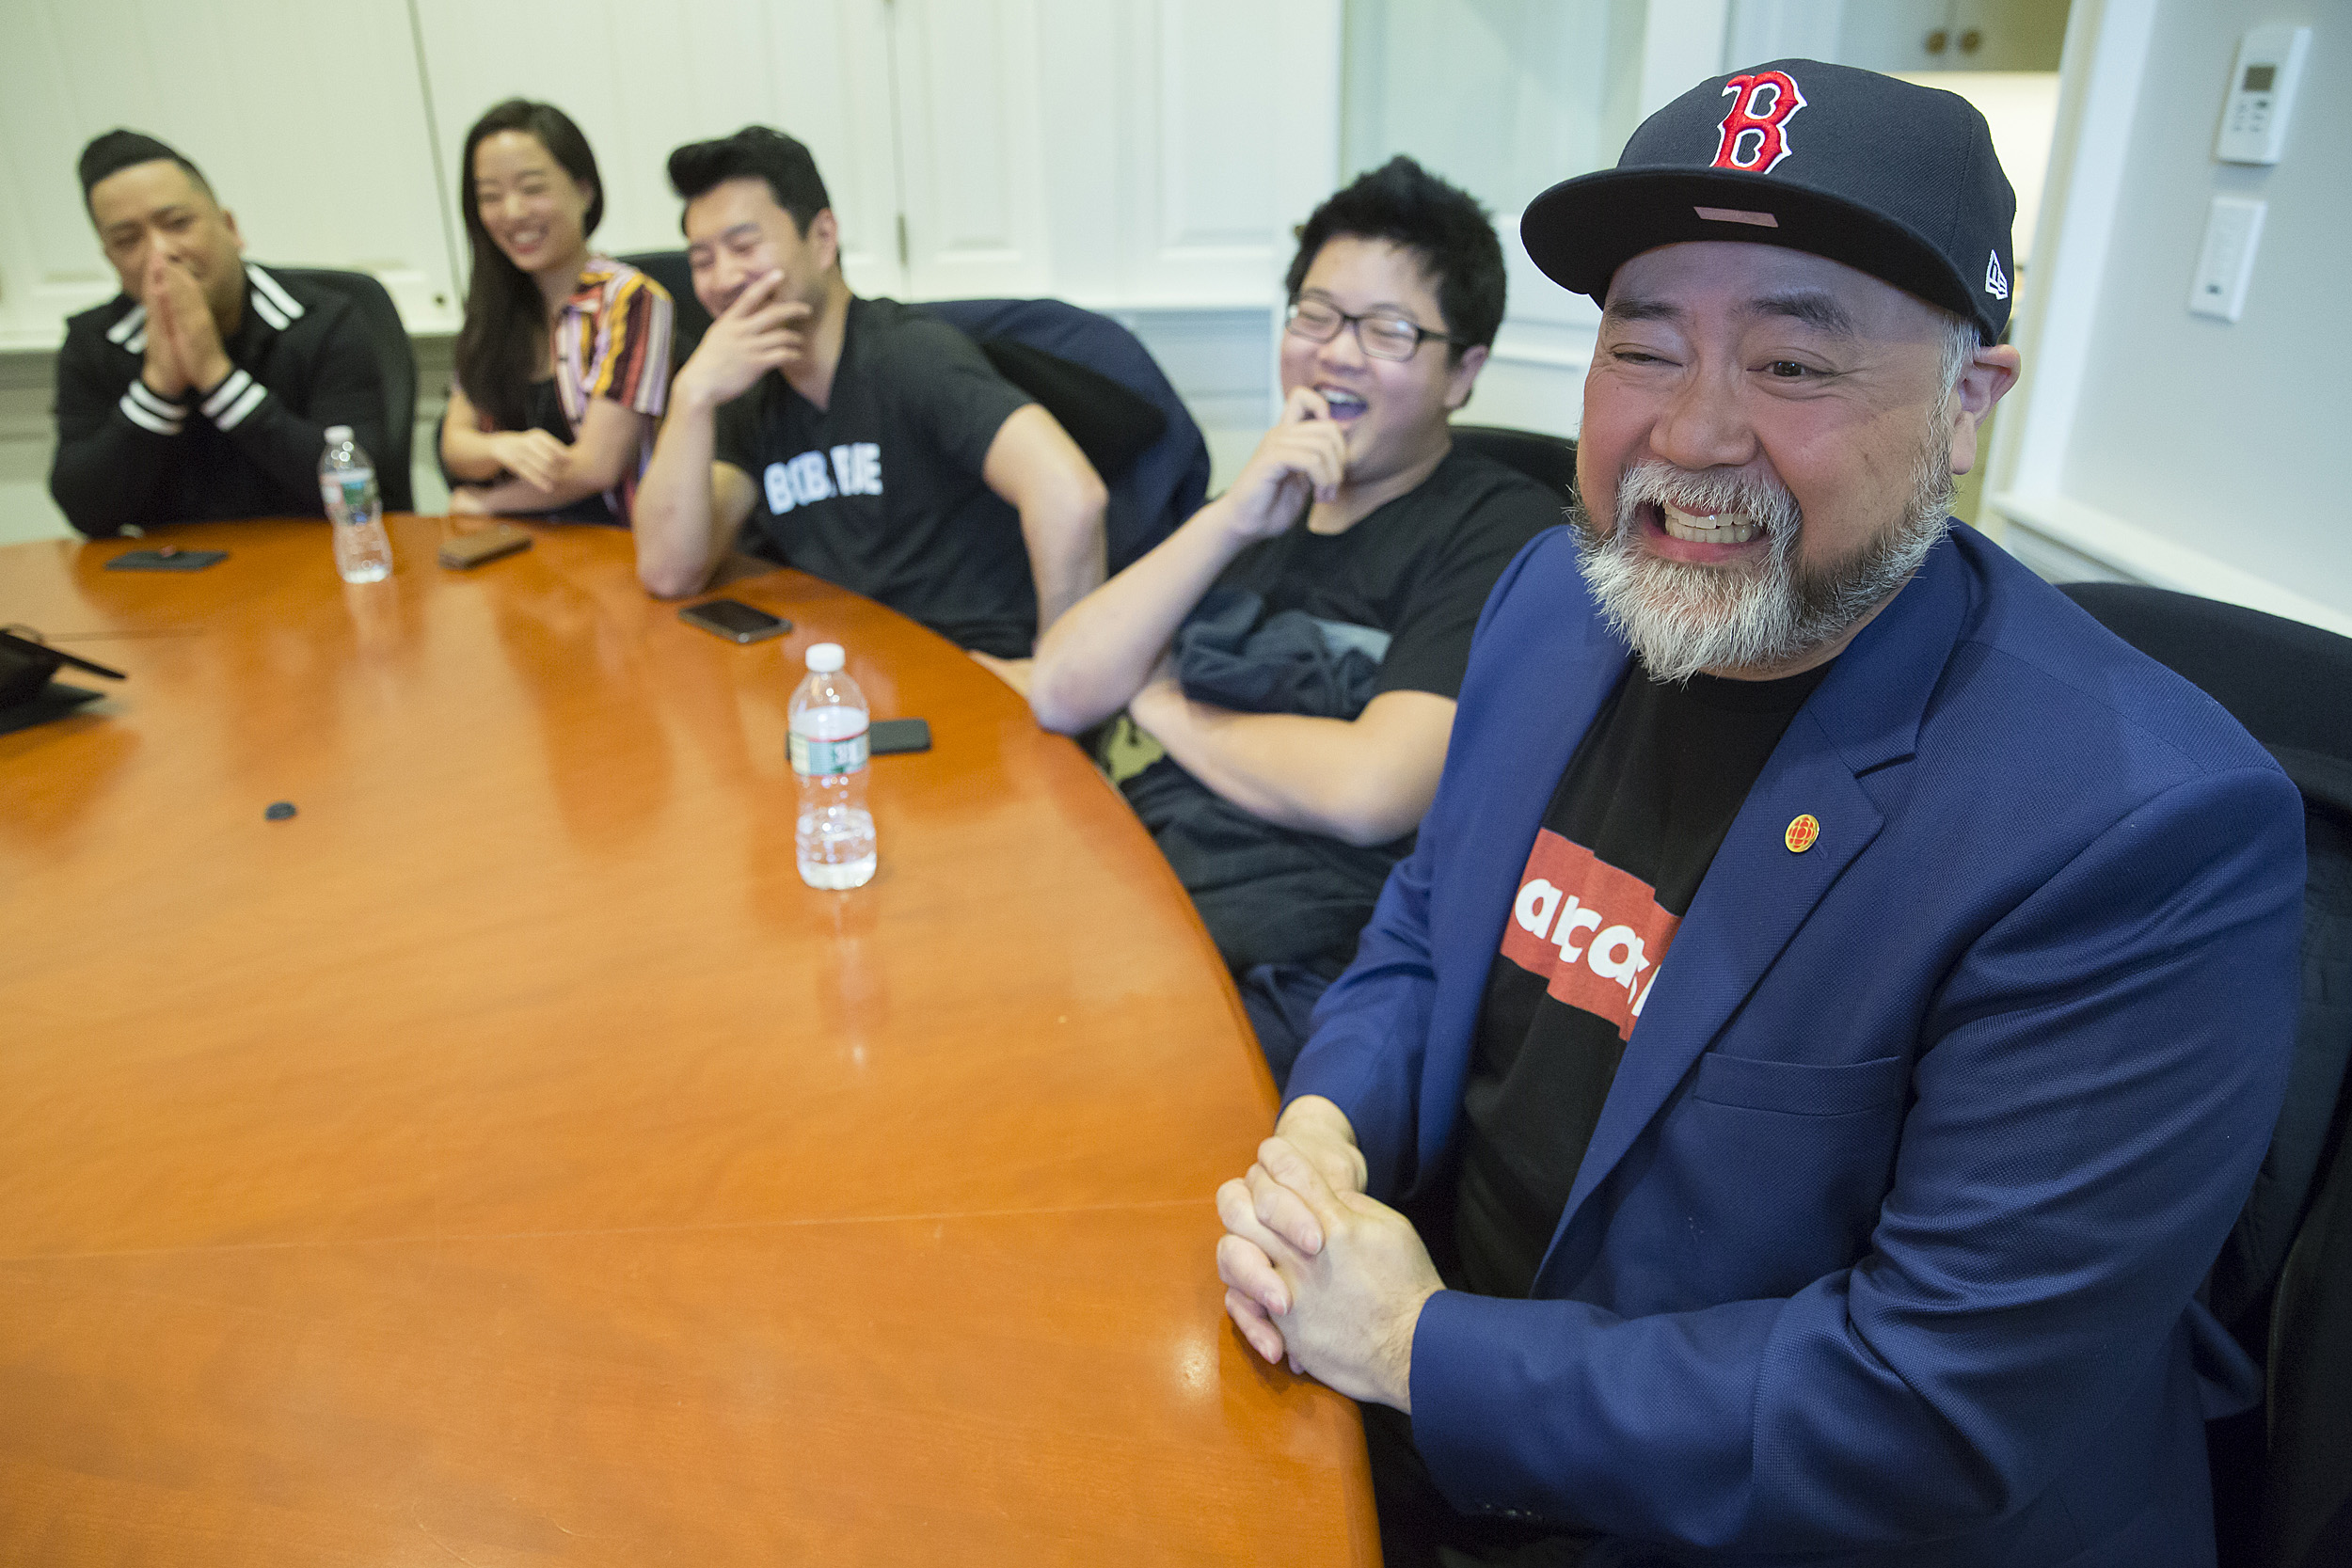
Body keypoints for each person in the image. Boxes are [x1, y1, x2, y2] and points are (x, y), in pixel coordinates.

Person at [1213, 62, 2306, 1567]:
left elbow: (1927, 1408)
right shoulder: (1552, 600)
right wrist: (1330, 1129)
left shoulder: (2147, 829)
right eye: (1643, 346)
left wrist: (1420, 1347)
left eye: (1793, 366)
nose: (1693, 435)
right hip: (1423, 1418)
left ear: (1967, 403)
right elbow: (1424, 922)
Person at [1027, 158, 1559, 1076]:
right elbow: (1061, 686)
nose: (1337, 351)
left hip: (1294, 967)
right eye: (1315, 314)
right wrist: (1228, 518)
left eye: (1388, 329)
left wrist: (1161, 706)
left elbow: (1368, 790)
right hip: (1129, 890)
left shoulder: (1499, 532)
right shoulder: (1262, 498)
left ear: (1462, 371)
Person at [631, 126, 1107, 672]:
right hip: (854, 672)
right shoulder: (749, 385)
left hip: (966, 670)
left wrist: (1060, 679)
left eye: (744, 246)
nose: (725, 278)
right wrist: (692, 395)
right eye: (701, 260)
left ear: (823, 238)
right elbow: (670, 571)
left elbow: (1071, 497)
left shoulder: (911, 357)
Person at [51, 131, 399, 538]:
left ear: (230, 227)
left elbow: (362, 482)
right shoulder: (93, 342)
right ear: (111, 259)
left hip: (316, 565)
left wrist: (218, 379)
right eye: (128, 241)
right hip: (172, 582)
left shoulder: (324, 319)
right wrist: (158, 388)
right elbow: (84, 511)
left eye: (178, 223)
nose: (160, 254)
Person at [439, 100, 672, 527]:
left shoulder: (631, 298)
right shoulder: (491, 304)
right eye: (491, 196)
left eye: (532, 189)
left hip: (618, 544)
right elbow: (455, 444)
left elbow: (596, 466)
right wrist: (499, 448)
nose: (512, 212)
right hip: (518, 544)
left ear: (584, 191)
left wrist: (489, 502)